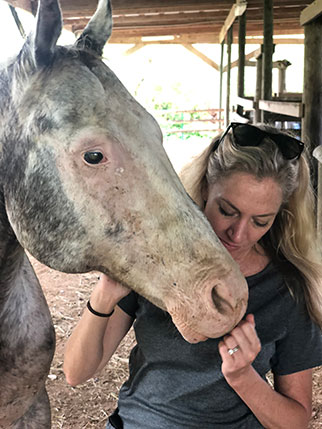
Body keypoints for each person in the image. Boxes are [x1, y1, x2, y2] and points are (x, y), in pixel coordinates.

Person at [64, 122, 322, 429]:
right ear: (204, 189)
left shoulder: (289, 289)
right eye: (227, 210)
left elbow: (296, 421)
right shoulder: (160, 259)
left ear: (279, 216)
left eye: (260, 221)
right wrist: (105, 293)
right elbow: (77, 372)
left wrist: (244, 378)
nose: (238, 234)